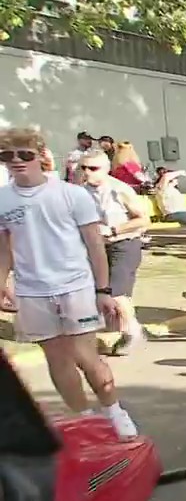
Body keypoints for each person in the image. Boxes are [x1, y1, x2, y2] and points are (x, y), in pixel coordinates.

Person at [0, 129, 137, 437]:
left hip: (74, 286)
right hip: (32, 291)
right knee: (57, 358)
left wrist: (103, 290)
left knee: (85, 355)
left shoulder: (70, 194)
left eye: (25, 154)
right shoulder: (3, 199)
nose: (17, 161)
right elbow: (4, 248)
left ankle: (114, 411)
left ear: (40, 155)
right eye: (7, 156)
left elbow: (95, 246)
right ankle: (86, 420)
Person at [78, 150, 152, 355]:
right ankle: (117, 326)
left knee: (118, 293)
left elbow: (144, 219)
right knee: (100, 291)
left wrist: (113, 229)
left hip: (124, 243)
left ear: (106, 169)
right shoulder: (80, 191)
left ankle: (132, 332)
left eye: (93, 168)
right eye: (83, 167)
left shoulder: (120, 190)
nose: (87, 172)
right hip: (97, 246)